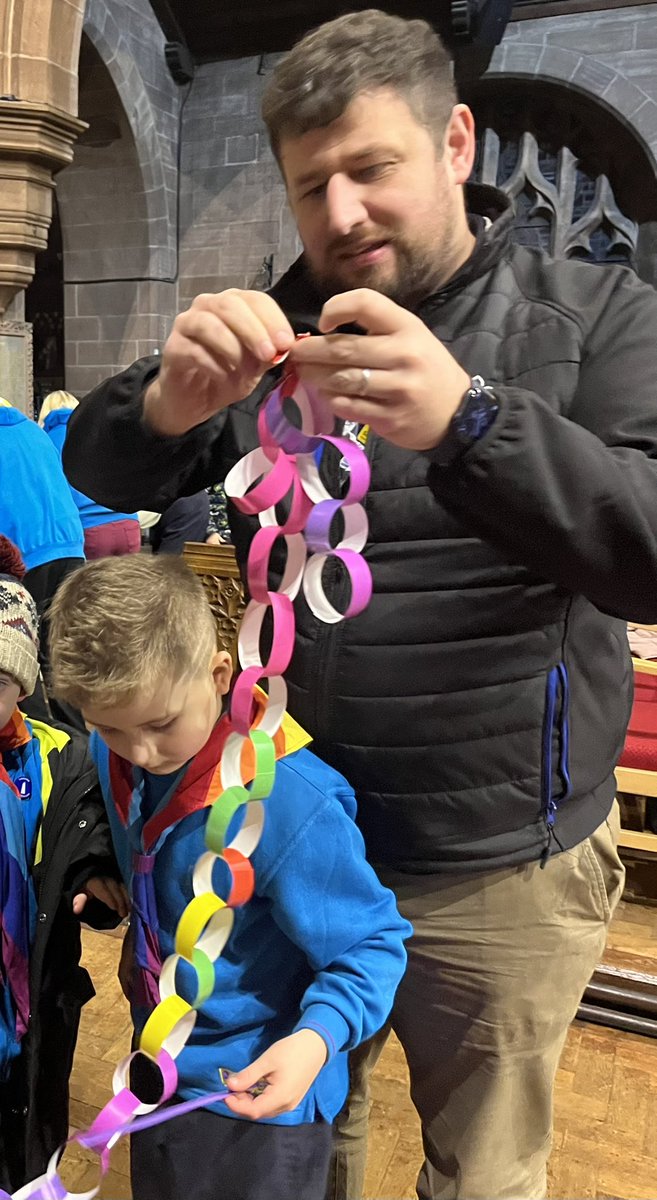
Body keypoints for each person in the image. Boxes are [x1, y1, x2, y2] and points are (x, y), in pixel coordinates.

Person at [59, 9, 651, 1198]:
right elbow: (102, 470)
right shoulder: (274, 341)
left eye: (371, 169)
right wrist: (164, 406)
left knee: (480, 1172)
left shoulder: (596, 320)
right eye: (309, 183)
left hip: (495, 866)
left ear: (456, 144)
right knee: (301, 1136)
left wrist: (475, 422)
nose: (339, 215)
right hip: (280, 843)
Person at [47, 553, 410, 1200]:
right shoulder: (120, 750)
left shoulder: (291, 805)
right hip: (159, 1069)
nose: (141, 752)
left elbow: (371, 946)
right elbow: (119, 817)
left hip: (259, 1098)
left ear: (219, 675)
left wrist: (315, 1041)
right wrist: (103, 864)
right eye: (109, 729)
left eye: (160, 725)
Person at [0, 535, 128, 1192]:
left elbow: (89, 838)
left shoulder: (63, 762)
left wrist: (97, 879)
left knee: (27, 1142)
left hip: (39, 1009)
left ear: (20, 684)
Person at [0, 396, 85, 721]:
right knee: (60, 652)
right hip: (68, 546)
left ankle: (33, 743)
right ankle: (74, 744)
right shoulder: (34, 432)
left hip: (22, 554)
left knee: (18, 653)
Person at [39, 391, 141, 559]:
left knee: (93, 585)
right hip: (128, 522)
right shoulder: (100, 428)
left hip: (89, 526)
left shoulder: (47, 441)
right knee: (128, 584)